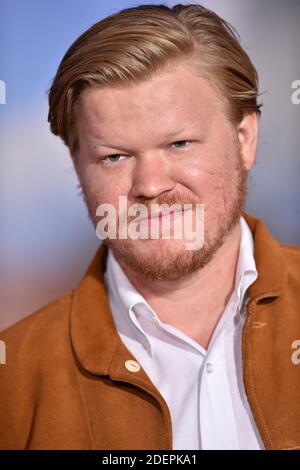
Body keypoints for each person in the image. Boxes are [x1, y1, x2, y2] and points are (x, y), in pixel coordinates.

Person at [1, 3, 300, 450]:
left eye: (179, 144)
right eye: (114, 156)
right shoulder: (14, 381)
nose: (151, 185)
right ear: (78, 168)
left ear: (244, 140)